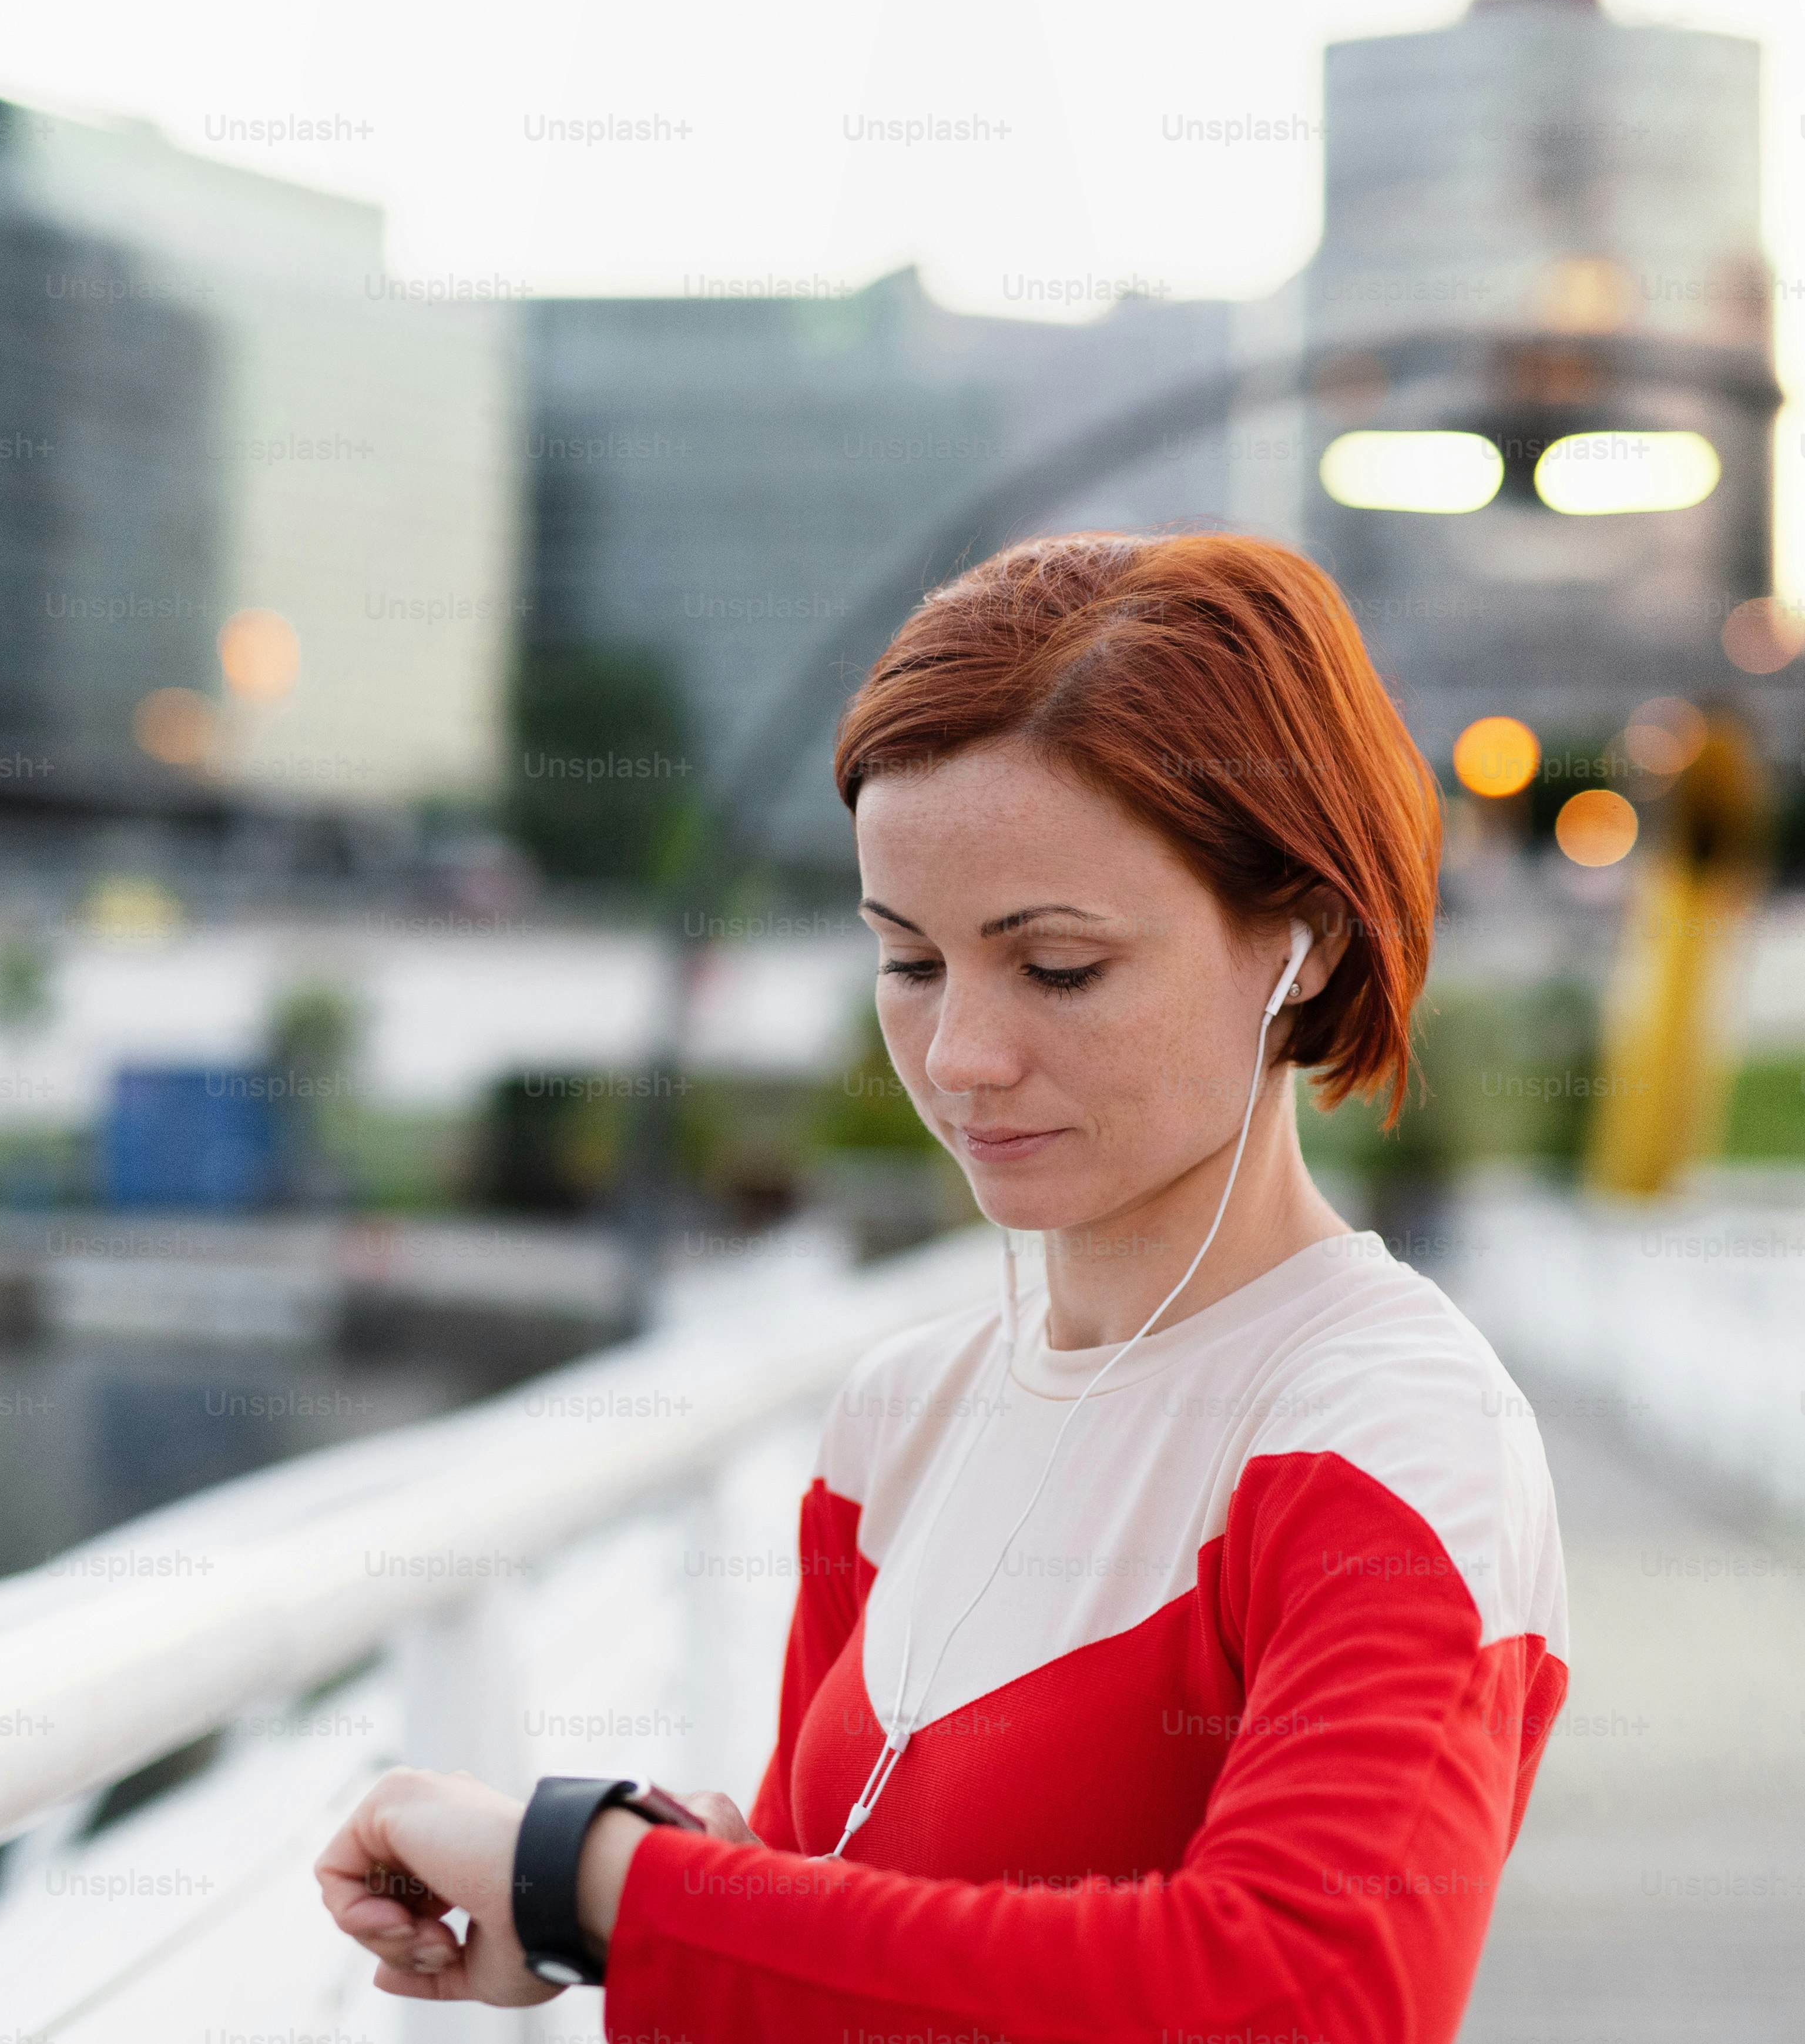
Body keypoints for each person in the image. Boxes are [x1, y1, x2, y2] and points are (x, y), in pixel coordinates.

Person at [317, 530, 1570, 2043]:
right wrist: (633, 1902)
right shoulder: (902, 1414)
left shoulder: (1385, 1426)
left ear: (1298, 943)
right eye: (909, 964)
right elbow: (844, 1944)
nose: (961, 1059)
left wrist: (604, 1884)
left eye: (1054, 969)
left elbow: (1308, 1996)